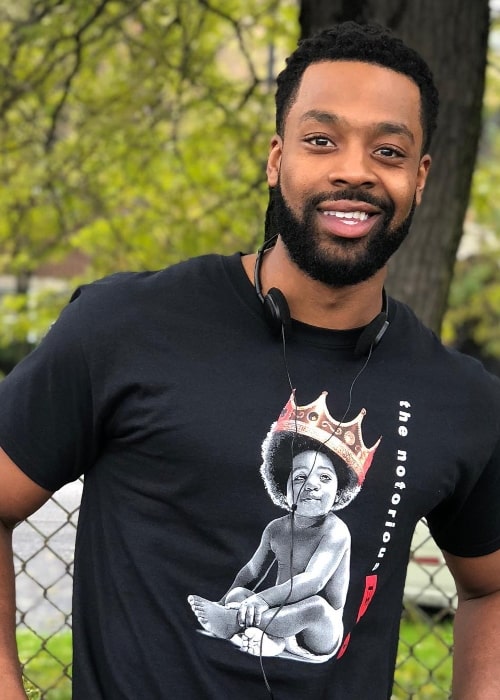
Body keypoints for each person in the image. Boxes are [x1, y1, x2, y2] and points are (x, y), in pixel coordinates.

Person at [0, 20, 499, 700]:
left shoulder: (462, 397)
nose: (353, 170)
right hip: (249, 618)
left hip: (304, 621)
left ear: (420, 178)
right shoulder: (124, 327)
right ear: (275, 159)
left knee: (311, 612)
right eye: (320, 140)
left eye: (388, 150)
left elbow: (490, 585)